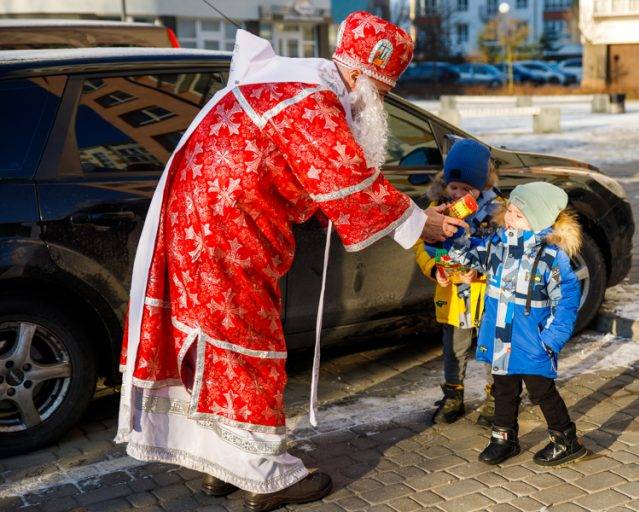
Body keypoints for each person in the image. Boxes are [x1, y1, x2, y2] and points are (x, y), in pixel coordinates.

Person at [115, 11, 466, 512]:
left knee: (214, 344)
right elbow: (345, 178)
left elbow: (306, 176)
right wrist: (420, 222)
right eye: (383, 95)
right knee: (249, 347)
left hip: (198, 227)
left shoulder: (283, 83)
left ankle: (221, 465)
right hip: (229, 235)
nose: (379, 107)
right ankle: (265, 476)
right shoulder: (310, 99)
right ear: (362, 78)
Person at [448, 182, 588, 466]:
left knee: (541, 391)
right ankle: (504, 438)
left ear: (539, 220)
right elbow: (468, 258)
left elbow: (567, 302)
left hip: (532, 339)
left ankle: (566, 440)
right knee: (503, 388)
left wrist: (551, 339)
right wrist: (459, 235)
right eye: (510, 210)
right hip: (501, 335)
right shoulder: (499, 244)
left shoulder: (552, 256)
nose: (510, 217)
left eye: (519, 214)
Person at [413, 139, 501, 425]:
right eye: (455, 188)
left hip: (489, 295)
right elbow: (422, 245)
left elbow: (505, 251)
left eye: (468, 189)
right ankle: (453, 395)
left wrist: (480, 273)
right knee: (454, 348)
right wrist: (434, 267)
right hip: (455, 295)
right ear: (445, 184)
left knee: (491, 346)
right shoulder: (438, 210)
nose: (460, 194)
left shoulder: (496, 212)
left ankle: (496, 397)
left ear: (482, 186)